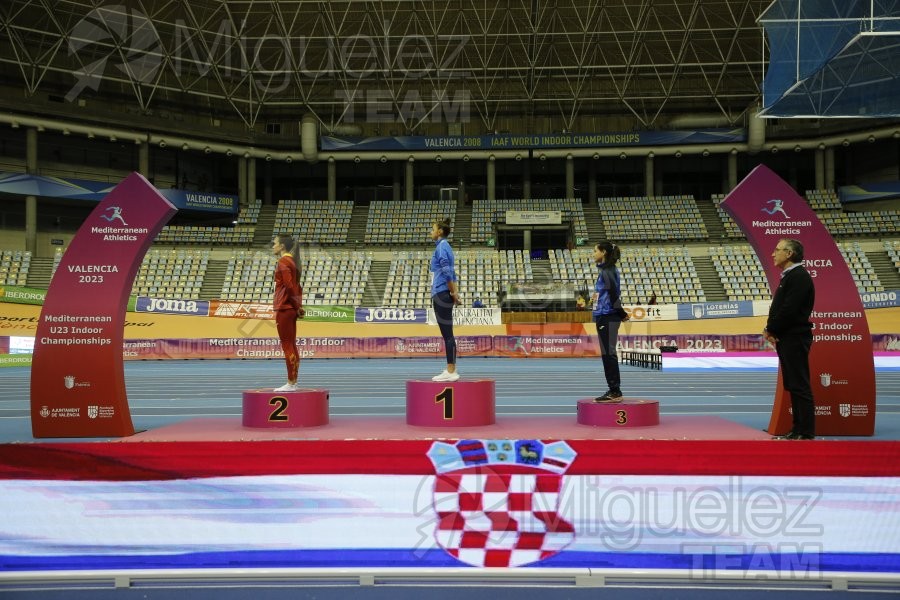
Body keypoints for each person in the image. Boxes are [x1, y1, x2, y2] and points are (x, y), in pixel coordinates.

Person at [764, 238, 816, 440]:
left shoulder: (799, 277)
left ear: (789, 254)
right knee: (794, 384)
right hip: (787, 337)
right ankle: (798, 430)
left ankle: (805, 431)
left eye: (777, 250)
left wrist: (771, 328)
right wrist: (771, 328)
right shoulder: (790, 276)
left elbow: (789, 311)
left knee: (799, 384)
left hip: (794, 337)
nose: (773, 253)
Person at [592, 241, 625, 402]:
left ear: (603, 252)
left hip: (608, 315)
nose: (593, 254)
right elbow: (608, 294)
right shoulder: (605, 271)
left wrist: (622, 313)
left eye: (595, 251)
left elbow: (613, 296)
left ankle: (615, 391)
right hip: (604, 315)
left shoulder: (608, 271)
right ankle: (614, 390)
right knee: (608, 353)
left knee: (608, 354)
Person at [271, 234, 304, 392]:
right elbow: (297, 287)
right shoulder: (293, 262)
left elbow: (290, 287)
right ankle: (294, 381)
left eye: (275, 243)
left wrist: (297, 306)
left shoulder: (283, 261)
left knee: (287, 346)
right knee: (292, 345)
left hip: (284, 307)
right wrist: (298, 306)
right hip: (291, 307)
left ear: (282, 246)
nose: (273, 246)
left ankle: (291, 383)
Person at [430, 217, 461, 382]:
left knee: (448, 334)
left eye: (433, 229)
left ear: (440, 232)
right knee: (447, 334)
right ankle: (450, 369)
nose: (431, 232)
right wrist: (454, 291)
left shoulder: (442, 247)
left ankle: (451, 370)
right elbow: (452, 273)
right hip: (442, 292)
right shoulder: (444, 247)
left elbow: (448, 271)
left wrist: (453, 293)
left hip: (442, 292)